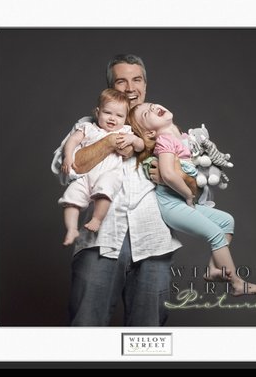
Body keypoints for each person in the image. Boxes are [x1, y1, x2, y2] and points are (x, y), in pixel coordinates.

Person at [64, 54, 197, 326]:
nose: (130, 87)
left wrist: (171, 175)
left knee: (147, 335)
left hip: (154, 243)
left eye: (136, 80)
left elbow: (197, 188)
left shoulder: (163, 127)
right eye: (121, 81)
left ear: (145, 85)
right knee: (86, 328)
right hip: (100, 241)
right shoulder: (91, 124)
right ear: (111, 86)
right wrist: (110, 141)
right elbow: (69, 168)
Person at [127, 102, 256, 295]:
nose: (152, 108)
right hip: (172, 205)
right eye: (145, 114)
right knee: (215, 234)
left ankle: (213, 269)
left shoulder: (184, 138)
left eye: (151, 105)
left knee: (227, 221)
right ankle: (236, 283)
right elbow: (168, 174)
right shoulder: (165, 141)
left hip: (181, 201)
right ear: (150, 133)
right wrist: (188, 195)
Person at [58, 88, 144, 245]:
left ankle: (97, 219)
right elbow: (72, 141)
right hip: (86, 176)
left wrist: (133, 139)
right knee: (71, 196)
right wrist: (68, 157)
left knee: (105, 190)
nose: (112, 118)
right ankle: (71, 229)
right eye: (107, 112)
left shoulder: (125, 131)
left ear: (125, 119)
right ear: (98, 112)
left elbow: (140, 146)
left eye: (119, 116)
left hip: (109, 174)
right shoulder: (88, 127)